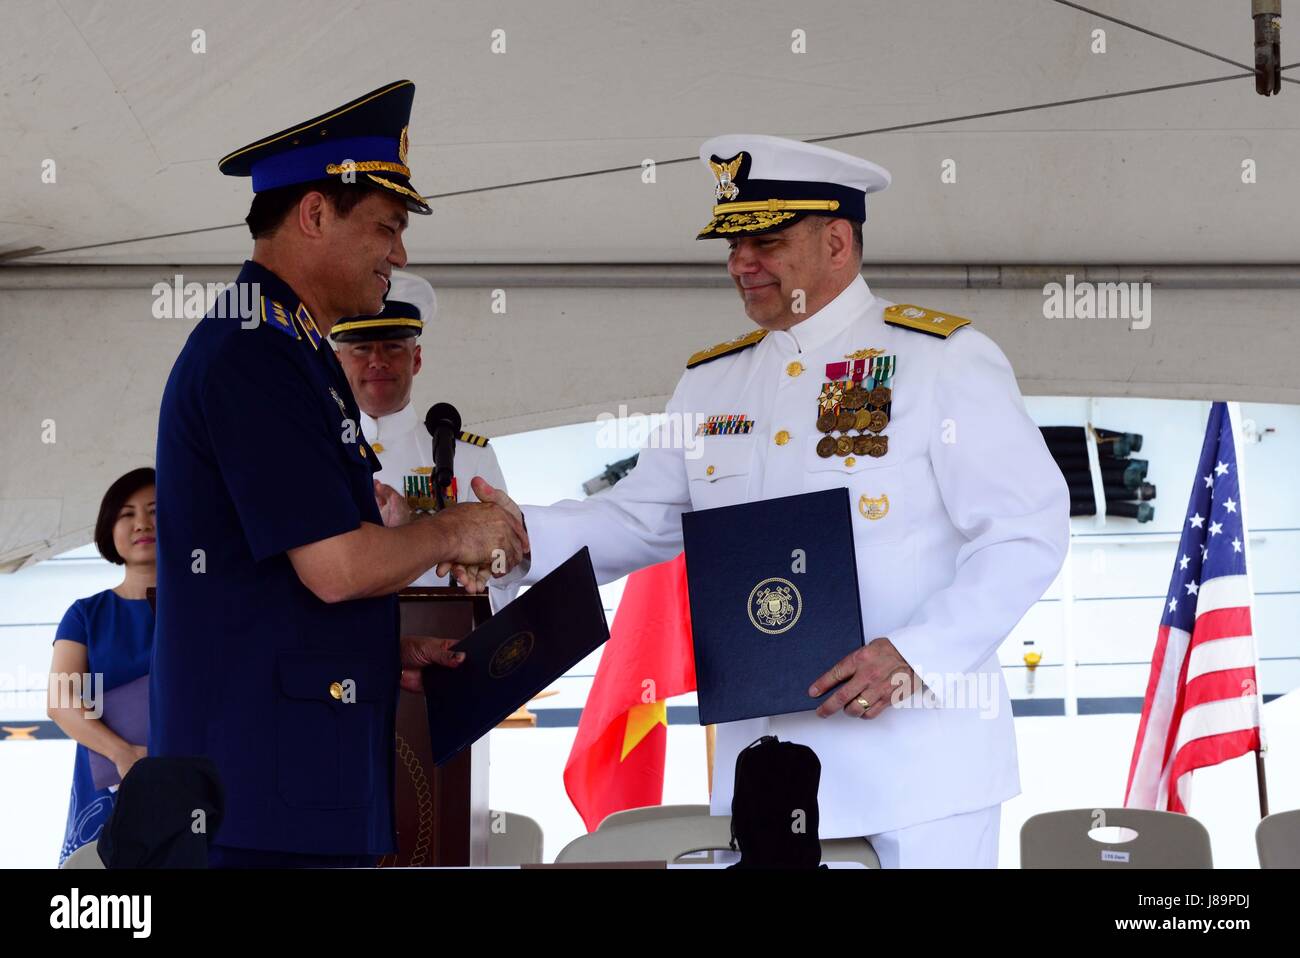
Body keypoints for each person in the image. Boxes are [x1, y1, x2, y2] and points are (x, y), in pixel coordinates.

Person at [479, 134, 1070, 867]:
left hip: (918, 777)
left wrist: (917, 654)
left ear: (837, 241)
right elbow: (640, 519)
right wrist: (509, 535)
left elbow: (1026, 531)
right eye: (731, 243)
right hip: (762, 772)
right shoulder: (713, 383)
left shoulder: (939, 359)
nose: (740, 262)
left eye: (765, 239)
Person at [150, 80, 526, 869]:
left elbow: (283, 580)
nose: (401, 253)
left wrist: (376, 646)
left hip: (284, 784)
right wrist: (460, 527)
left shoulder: (290, 347)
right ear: (315, 214)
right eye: (387, 227)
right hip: (258, 797)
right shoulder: (255, 353)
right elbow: (338, 567)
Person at [331, 271, 517, 601]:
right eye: (360, 349)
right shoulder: (314, 450)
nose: (377, 361)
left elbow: (503, 573)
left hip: (440, 643)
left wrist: (414, 529)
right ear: (336, 362)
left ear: (416, 359)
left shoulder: (468, 456)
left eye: (392, 347)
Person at [48, 467, 156, 866]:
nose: (142, 523)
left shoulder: (202, 610)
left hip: (192, 776)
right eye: (127, 514)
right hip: (109, 782)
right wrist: (124, 754)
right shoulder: (86, 615)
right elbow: (61, 702)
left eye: (155, 510)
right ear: (109, 529)